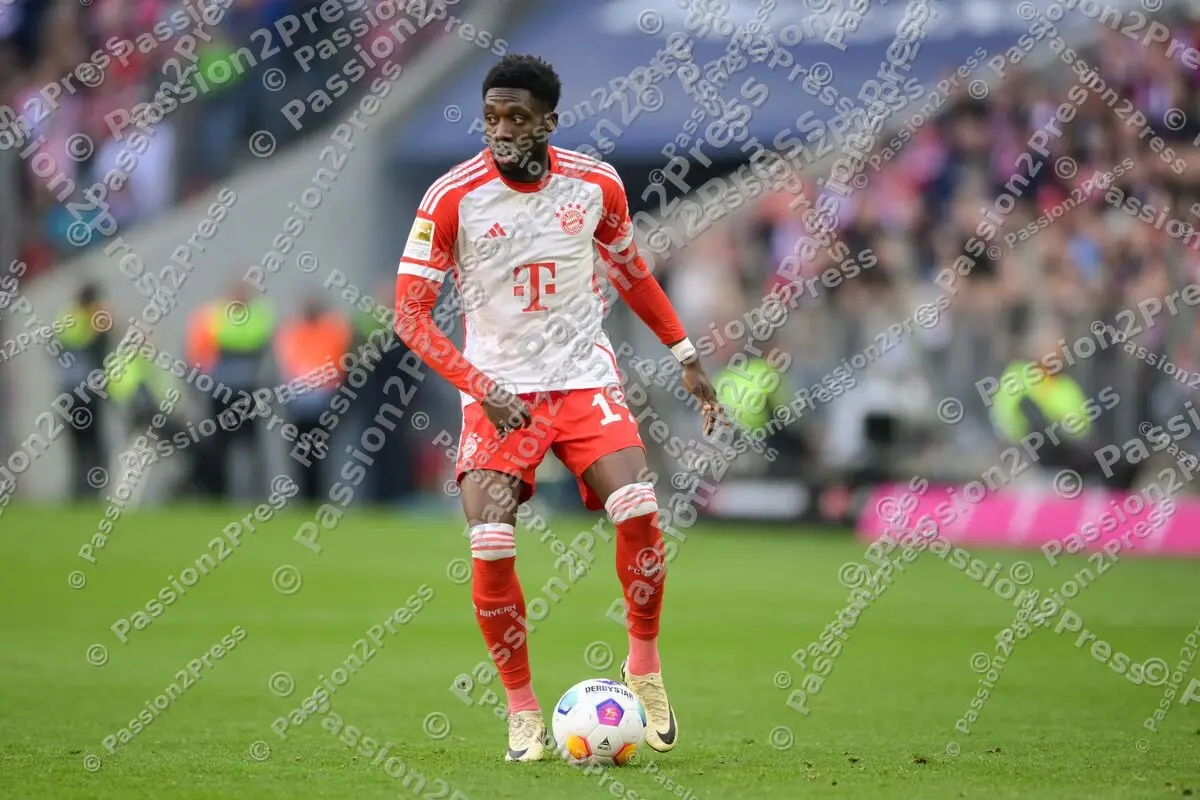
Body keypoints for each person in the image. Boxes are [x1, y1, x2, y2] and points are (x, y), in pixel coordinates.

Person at [394, 54, 721, 762]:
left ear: (549, 120)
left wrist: (685, 353)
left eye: (517, 118)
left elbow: (631, 271)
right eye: (491, 119)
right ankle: (520, 710)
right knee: (490, 538)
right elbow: (410, 318)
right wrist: (483, 389)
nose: (502, 132)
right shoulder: (451, 198)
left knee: (636, 502)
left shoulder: (596, 183)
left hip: (579, 378)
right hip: (496, 389)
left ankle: (645, 666)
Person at [275, 299, 351, 501]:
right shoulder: (294, 331)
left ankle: (317, 494)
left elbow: (337, 361)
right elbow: (288, 362)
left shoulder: (330, 331)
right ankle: (304, 494)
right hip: (300, 402)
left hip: (321, 400)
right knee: (300, 452)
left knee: (320, 452)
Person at [56, 283, 111, 499]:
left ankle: (88, 489)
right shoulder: (76, 318)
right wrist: (97, 326)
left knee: (87, 442)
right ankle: (83, 490)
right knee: (84, 442)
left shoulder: (71, 316)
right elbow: (77, 341)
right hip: (79, 391)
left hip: (76, 391)